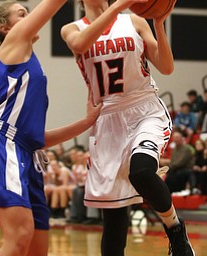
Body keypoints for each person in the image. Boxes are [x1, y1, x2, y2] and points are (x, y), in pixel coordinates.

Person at [61, 0, 195, 255]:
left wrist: (158, 23)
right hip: (107, 121)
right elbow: (80, 45)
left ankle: (176, 230)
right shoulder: (72, 29)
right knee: (113, 222)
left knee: (141, 170)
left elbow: (166, 67)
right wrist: (118, 6)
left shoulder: (133, 21)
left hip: (144, 109)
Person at [0, 1, 102, 256]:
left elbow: (34, 139)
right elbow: (52, 5)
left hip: (26, 153)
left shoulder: (29, 60)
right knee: (19, 237)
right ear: (5, 27)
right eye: (22, 14)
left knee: (36, 249)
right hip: (2, 147)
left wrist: (86, 122)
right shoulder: (12, 44)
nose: (30, 16)